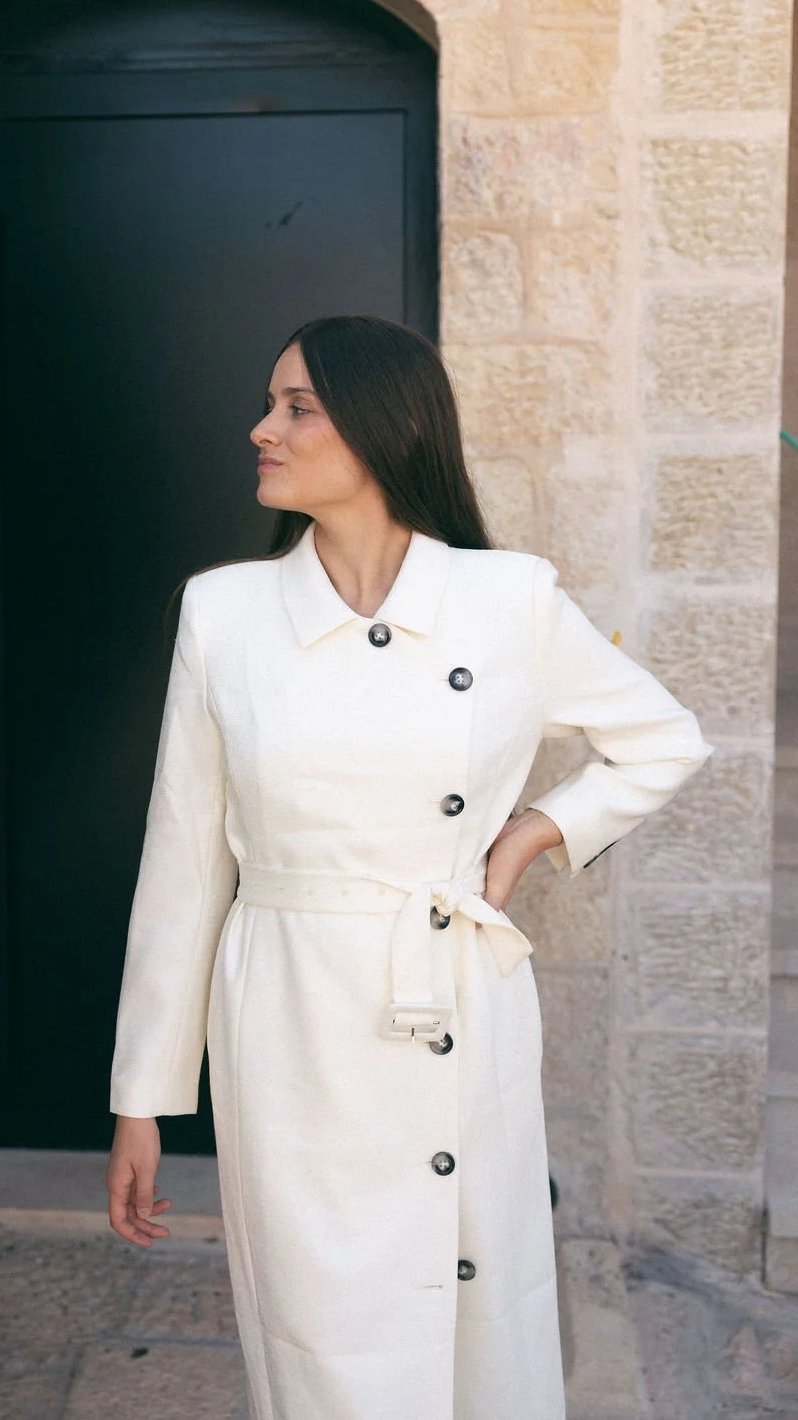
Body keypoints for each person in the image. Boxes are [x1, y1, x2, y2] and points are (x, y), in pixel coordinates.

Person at [105, 314, 714, 1420]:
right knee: (320, 1324)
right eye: (270, 402)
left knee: (476, 1320)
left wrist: (534, 829)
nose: (262, 429)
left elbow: (664, 738)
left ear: (382, 429)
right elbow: (185, 862)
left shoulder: (508, 598)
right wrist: (144, 1097)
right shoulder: (225, 611)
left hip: (458, 1000)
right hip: (291, 1020)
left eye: (296, 406)